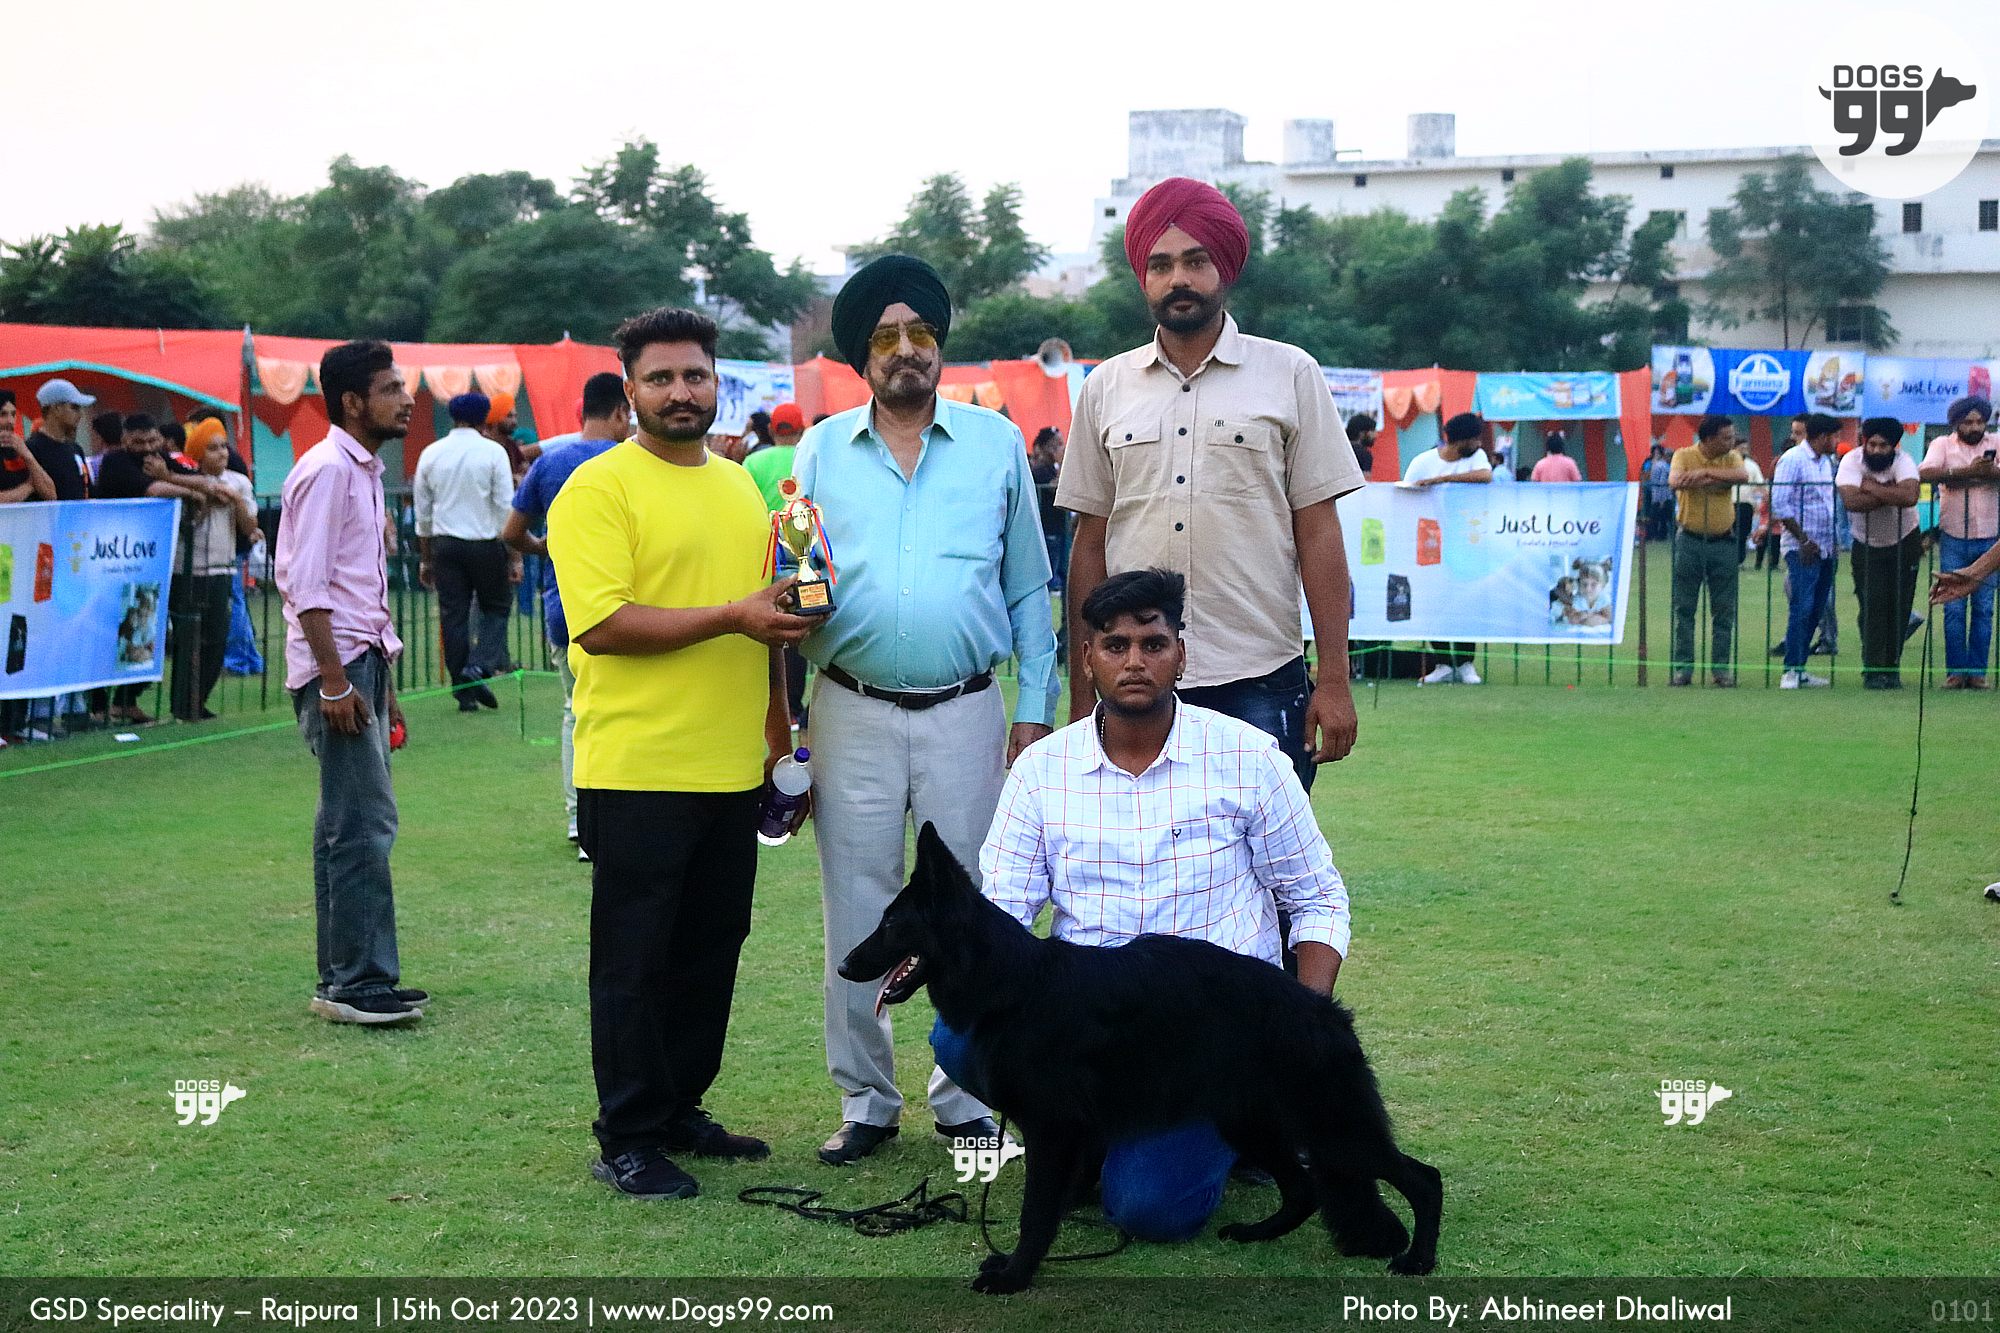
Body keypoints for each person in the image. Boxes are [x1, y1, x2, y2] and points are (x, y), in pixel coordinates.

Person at [934, 567, 1350, 1242]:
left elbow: (1317, 897)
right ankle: (1081, 1128)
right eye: (1115, 644)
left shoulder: (1249, 758)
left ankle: (1241, 1119)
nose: (1134, 661)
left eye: (1153, 644)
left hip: (1209, 1036)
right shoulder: (1041, 771)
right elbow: (1003, 915)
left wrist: (1297, 1031)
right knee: (957, 1036)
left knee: (1148, 1210)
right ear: (1088, 658)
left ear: (1181, 654)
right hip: (1086, 1023)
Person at [795, 254, 1057, 1166]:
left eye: (920, 333)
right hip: (850, 707)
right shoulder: (821, 450)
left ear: (939, 343)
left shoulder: (994, 443)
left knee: (973, 905)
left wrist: (1036, 707)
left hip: (967, 709)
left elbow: (1028, 587)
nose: (905, 349)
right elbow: (798, 579)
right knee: (855, 903)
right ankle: (866, 1099)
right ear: (860, 356)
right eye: (884, 337)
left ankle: (966, 1096)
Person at [547, 307, 811, 1200]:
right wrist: (733, 615)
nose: (680, 391)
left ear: (716, 383)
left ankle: (678, 1105)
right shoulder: (596, 488)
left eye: (694, 375)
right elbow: (603, 623)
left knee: (710, 946)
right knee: (634, 957)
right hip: (637, 767)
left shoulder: (741, 489)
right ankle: (625, 1132)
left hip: (732, 765)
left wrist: (779, 734)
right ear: (630, 391)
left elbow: (767, 623)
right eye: (659, 378)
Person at [1058, 177, 1362, 791]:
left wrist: (1334, 677)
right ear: (1143, 278)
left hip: (1259, 673)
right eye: (1161, 265)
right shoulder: (1105, 388)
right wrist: (1082, 690)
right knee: (1133, 848)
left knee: (1263, 850)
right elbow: (1090, 544)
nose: (1179, 279)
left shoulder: (1289, 373)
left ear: (1224, 268)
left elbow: (1319, 534)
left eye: (1196, 261)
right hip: (1135, 681)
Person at [273, 340, 423, 1026]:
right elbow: (307, 586)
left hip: (360, 659)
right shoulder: (329, 469)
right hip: (337, 665)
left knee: (345, 822)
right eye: (391, 389)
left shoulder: (359, 468)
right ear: (353, 401)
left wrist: (380, 681)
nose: (408, 399)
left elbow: (358, 586)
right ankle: (358, 981)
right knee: (362, 823)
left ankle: (348, 975)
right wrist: (334, 681)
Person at [502, 371, 632, 852]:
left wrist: (546, 549)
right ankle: (623, 817)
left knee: (575, 714)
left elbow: (511, 532)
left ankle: (580, 822)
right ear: (621, 412)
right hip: (634, 613)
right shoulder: (632, 462)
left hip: (567, 609)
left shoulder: (551, 464)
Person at [416, 392, 517, 712]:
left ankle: (464, 691)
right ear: (484, 418)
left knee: (453, 616)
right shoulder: (493, 452)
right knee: (497, 606)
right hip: (485, 544)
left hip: (445, 545)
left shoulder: (431, 453)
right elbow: (505, 507)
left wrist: (426, 559)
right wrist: (514, 555)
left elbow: (423, 514)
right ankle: (480, 665)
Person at [171, 418, 259, 720]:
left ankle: (198, 701)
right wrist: (206, 497)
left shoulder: (239, 482)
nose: (221, 453)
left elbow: (249, 526)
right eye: (212, 448)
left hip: (222, 568)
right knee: (188, 639)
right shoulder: (184, 480)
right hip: (187, 569)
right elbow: (188, 526)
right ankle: (182, 704)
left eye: (223, 446)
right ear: (197, 454)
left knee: (218, 638)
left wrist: (234, 500)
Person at [1404, 412, 1494, 685]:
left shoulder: (1476, 458)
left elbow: (1485, 476)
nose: (1478, 443)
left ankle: (1466, 663)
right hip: (1430, 543)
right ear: (1459, 440)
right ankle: (1442, 662)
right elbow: (1406, 494)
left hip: (1466, 543)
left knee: (1467, 601)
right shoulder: (1422, 462)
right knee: (1434, 601)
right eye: (1474, 438)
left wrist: (1440, 480)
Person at [1837, 417, 1923, 690]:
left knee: (1899, 607)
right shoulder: (1851, 461)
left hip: (1904, 539)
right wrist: (1891, 493)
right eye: (1871, 444)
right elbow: (1852, 502)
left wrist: (1872, 487)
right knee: (1872, 606)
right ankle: (1873, 670)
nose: (1875, 450)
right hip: (1865, 543)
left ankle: (1892, 668)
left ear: (1893, 447)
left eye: (1882, 445)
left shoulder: (1904, 461)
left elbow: (1909, 497)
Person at [1919, 395, 1997, 688]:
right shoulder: (1942, 444)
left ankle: (1977, 673)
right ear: (1956, 424)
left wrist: (1989, 473)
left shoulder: (1996, 442)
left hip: (1990, 535)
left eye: (1979, 421)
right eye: (1968, 422)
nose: (1974, 427)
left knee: (1984, 608)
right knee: (1953, 606)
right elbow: (1925, 473)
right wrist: (1966, 474)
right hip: (1954, 534)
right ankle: (1955, 672)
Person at [740, 401, 810, 726]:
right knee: (797, 632)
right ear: (802, 428)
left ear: (771, 430)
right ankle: (793, 707)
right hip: (805, 562)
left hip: (765, 562)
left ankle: (768, 707)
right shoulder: (808, 456)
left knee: (765, 635)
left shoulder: (753, 461)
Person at [1668, 415, 1748, 687]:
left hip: (1724, 542)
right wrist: (1715, 480)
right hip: (1689, 541)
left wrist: (1704, 474)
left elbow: (1742, 476)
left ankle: (1720, 669)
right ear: (1709, 438)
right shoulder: (1683, 455)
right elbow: (1675, 480)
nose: (1731, 441)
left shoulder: (1731, 457)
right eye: (1726, 437)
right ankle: (1683, 668)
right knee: (1684, 607)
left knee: (1724, 610)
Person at [1771, 413, 1844, 688]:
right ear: (1823, 437)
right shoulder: (1792, 460)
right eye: (1835, 436)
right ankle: (1790, 670)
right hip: (1801, 547)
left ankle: (1800, 667)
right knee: (1802, 606)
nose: (1837, 441)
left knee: (1816, 608)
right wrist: (1802, 540)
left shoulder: (1826, 462)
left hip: (1825, 546)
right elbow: (1780, 503)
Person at [26, 379, 95, 501]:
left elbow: (87, 491)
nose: (80, 414)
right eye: (74, 407)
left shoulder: (76, 449)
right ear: (57, 408)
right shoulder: (32, 449)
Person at [0, 389, 57, 503]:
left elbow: (51, 495)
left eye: (13, 414)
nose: (10, 421)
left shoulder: (20, 449)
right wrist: (28, 487)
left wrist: (28, 456)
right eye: (3, 414)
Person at [1733, 449, 1766, 564]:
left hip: (1746, 504)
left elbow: (1760, 484)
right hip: (1729, 503)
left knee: (1743, 534)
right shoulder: (1726, 462)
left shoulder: (1752, 465)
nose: (1743, 450)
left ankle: (1739, 559)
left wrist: (1765, 496)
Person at [1643, 444, 1674, 538]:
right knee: (1661, 516)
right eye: (1669, 456)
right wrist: (1662, 500)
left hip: (1657, 493)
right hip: (1662, 494)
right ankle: (1658, 535)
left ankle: (1655, 535)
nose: (1670, 458)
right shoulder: (1663, 466)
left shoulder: (1658, 465)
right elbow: (1662, 482)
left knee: (1656, 516)